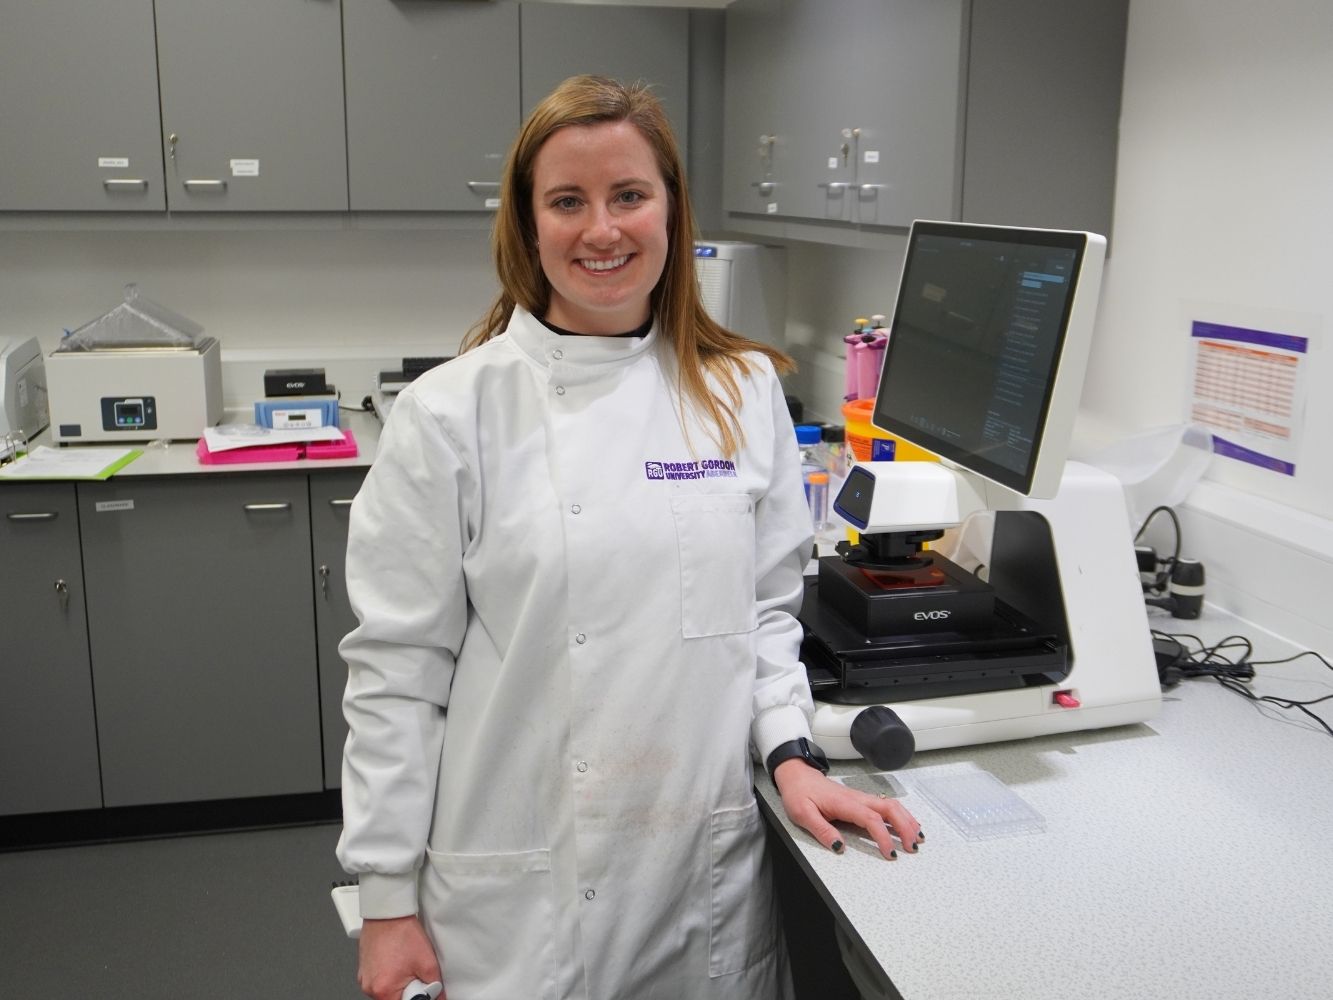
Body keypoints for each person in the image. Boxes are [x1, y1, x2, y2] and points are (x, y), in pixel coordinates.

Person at [337, 74, 923, 1000]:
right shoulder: (450, 414)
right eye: (566, 201)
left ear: (671, 212)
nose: (600, 230)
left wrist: (791, 753)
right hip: (519, 882)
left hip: (699, 872)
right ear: (528, 227)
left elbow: (765, 613)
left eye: (629, 196)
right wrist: (384, 901)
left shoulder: (741, 392)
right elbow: (396, 679)